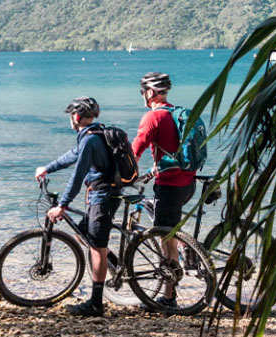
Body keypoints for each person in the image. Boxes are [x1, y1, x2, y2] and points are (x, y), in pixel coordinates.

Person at [35, 96, 120, 317]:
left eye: (71, 116)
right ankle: (117, 264)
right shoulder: (94, 134)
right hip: (105, 194)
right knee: (85, 234)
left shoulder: (89, 140)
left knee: (97, 247)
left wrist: (62, 205)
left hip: (102, 197)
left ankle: (96, 303)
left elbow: (78, 173)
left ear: (77, 116)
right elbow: (72, 157)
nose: (71, 120)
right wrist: (48, 168)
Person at [131, 72, 196, 309]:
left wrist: (121, 176)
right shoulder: (177, 113)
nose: (142, 97)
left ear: (149, 93)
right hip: (188, 184)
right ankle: (185, 245)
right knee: (170, 230)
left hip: (169, 186)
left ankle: (169, 298)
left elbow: (133, 153)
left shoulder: (152, 117)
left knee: (165, 239)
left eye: (142, 92)